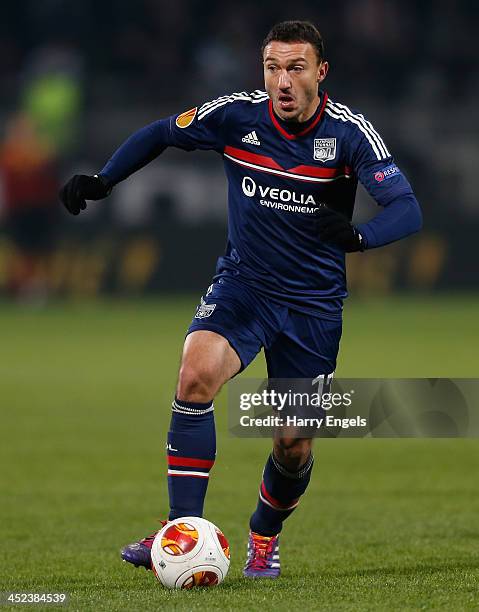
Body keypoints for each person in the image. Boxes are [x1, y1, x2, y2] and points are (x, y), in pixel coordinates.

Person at [59, 20, 422, 579]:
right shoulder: (238, 115)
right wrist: (106, 180)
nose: (282, 80)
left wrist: (359, 237)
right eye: (273, 67)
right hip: (245, 286)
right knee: (195, 375)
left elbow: (406, 207)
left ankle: (263, 535)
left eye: (296, 68)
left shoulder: (349, 134)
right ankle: (181, 531)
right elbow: (162, 132)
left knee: (293, 445)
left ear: (321, 73)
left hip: (312, 306)